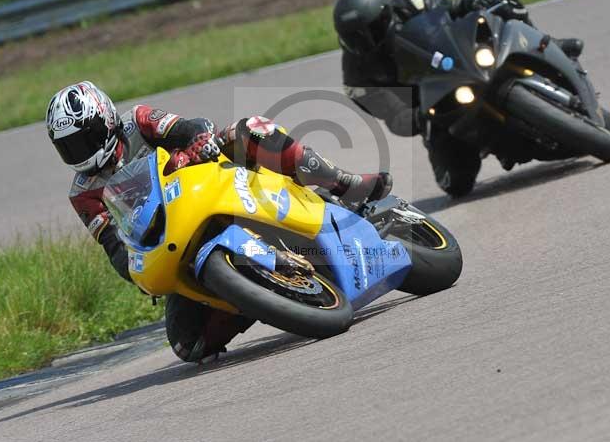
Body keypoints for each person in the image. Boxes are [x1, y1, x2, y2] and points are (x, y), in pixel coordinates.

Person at [46, 81, 391, 363]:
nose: (78, 152)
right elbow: (114, 249)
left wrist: (196, 141)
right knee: (187, 345)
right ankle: (253, 296)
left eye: (82, 139)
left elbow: (188, 127)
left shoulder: (137, 121)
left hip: (207, 183)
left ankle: (343, 182)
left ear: (105, 121)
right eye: (68, 147)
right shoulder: (83, 194)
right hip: (175, 241)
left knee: (249, 131)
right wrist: (137, 266)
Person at [333, 0, 585, 197]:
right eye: (353, 37)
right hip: (433, 106)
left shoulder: (411, 4)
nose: (363, 41)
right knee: (456, 184)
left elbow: (451, 9)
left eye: (370, 30)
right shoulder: (356, 79)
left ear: (385, 14)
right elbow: (392, 113)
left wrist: (473, 1)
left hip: (461, 62)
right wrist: (414, 116)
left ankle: (554, 47)